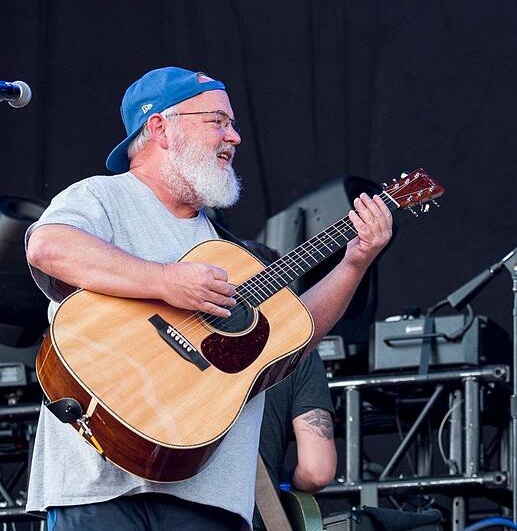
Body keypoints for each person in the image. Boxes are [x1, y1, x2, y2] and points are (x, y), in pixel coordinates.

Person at [24, 67, 392, 530]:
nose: (234, 136)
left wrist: (353, 262)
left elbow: (295, 334)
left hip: (209, 493)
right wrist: (165, 281)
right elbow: (48, 247)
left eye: (232, 124)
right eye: (217, 121)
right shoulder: (102, 196)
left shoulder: (230, 253)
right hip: (96, 486)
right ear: (159, 127)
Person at [242, 240, 337, 531]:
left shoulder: (180, 348)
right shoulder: (298, 351)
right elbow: (317, 470)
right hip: (248, 517)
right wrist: (283, 481)